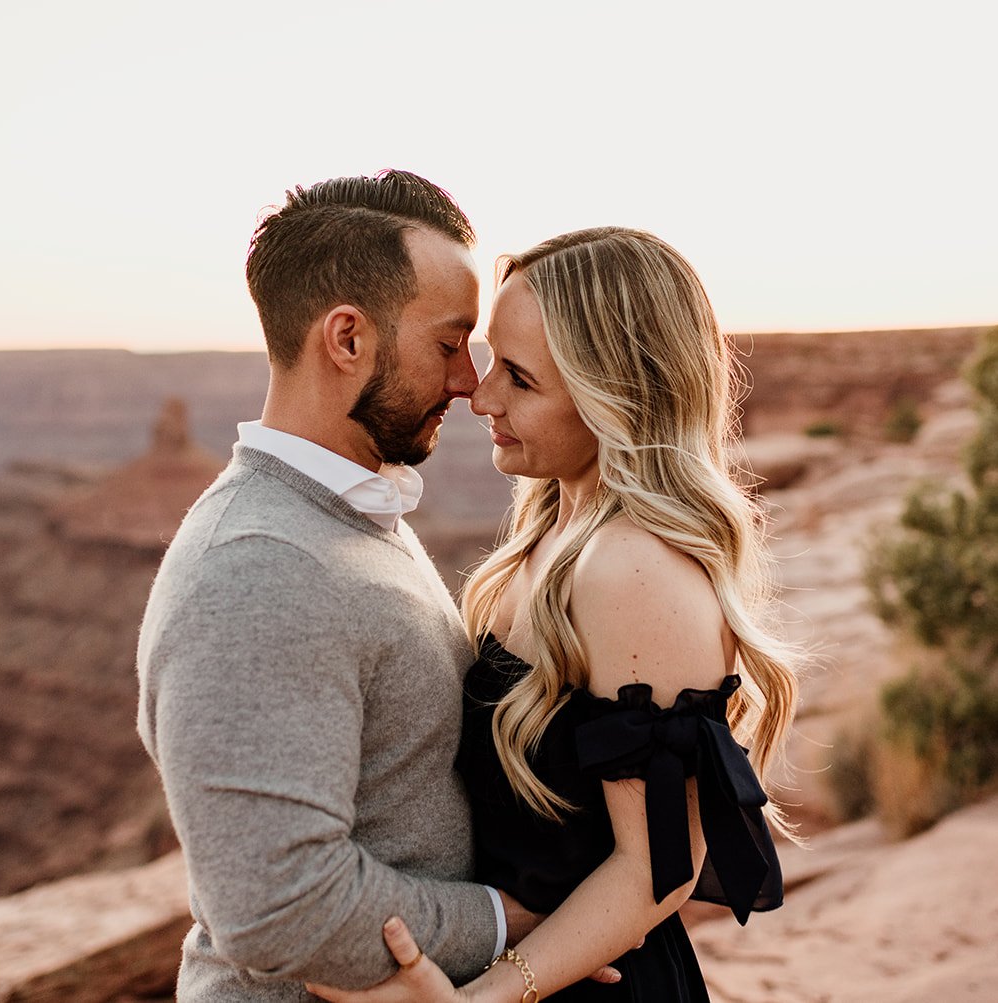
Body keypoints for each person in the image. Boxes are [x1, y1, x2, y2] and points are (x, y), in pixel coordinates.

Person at [307, 227, 801, 1003]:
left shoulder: (635, 571)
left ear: (618, 397)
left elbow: (653, 869)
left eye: (521, 378)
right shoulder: (552, 533)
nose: (480, 394)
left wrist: (487, 995)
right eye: (489, 358)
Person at [136, 171, 552, 1000]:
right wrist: (515, 924)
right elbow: (277, 905)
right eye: (447, 344)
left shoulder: (343, 517)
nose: (470, 383)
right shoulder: (259, 565)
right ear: (347, 339)